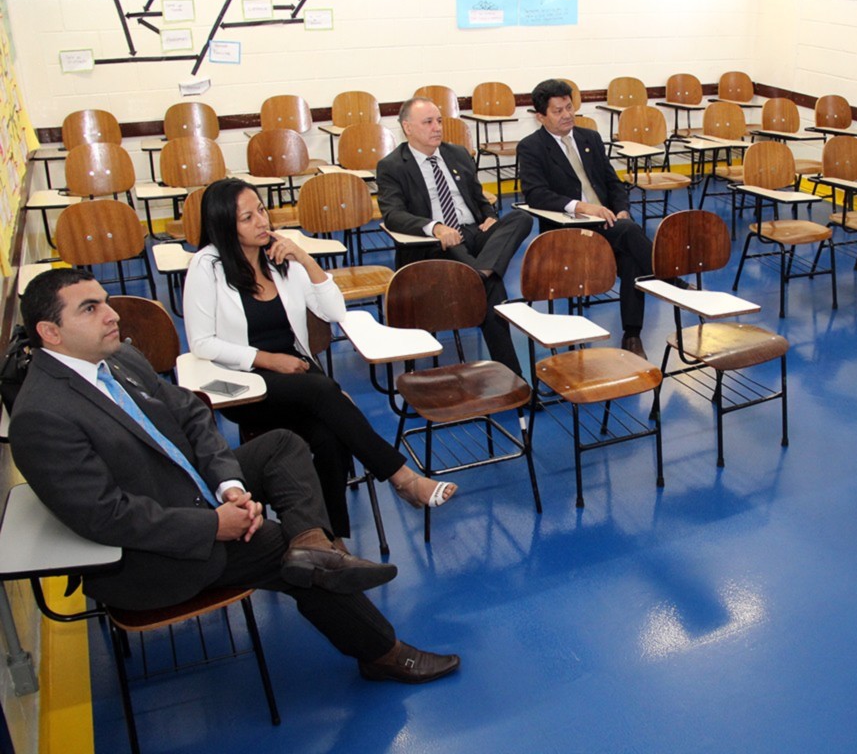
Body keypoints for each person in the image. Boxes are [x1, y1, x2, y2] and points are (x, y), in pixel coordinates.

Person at [9, 268, 459, 684]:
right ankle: (383, 654)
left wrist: (230, 485)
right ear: (50, 332)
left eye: (105, 302)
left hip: (191, 488)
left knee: (281, 445)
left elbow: (191, 412)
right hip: (154, 554)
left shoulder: (118, 359)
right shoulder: (42, 416)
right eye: (90, 309)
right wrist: (213, 524)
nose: (111, 315)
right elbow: (106, 517)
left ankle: (314, 545)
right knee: (283, 551)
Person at [182, 177, 455, 537]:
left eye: (261, 210)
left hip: (299, 375)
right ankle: (402, 477)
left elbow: (334, 311)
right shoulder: (207, 266)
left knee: (330, 434)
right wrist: (267, 359)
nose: (262, 222)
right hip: (246, 384)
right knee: (326, 391)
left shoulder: (279, 256)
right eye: (247, 218)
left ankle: (331, 540)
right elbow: (202, 343)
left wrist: (305, 259)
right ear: (224, 226)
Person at [376, 96, 532, 375]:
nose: (437, 127)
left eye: (439, 121)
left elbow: (479, 198)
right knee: (492, 286)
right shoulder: (393, 165)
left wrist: (489, 216)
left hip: (473, 232)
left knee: (521, 217)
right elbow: (393, 214)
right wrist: (435, 227)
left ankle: (477, 273)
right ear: (407, 127)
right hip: (435, 243)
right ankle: (513, 375)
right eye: (428, 122)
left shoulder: (457, 153)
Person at [516, 78, 655, 358]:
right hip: (568, 231)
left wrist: (622, 210)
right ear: (540, 116)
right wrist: (582, 207)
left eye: (569, 107)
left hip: (610, 224)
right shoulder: (531, 147)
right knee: (630, 236)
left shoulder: (589, 138)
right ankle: (667, 275)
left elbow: (613, 183)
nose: (567, 115)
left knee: (631, 255)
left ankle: (632, 335)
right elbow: (536, 195)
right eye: (558, 111)